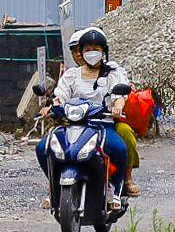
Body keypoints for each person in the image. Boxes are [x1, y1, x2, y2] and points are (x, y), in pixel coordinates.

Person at [50, 25, 138, 197]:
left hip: (103, 125)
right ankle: (53, 189)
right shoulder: (71, 75)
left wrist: (117, 107)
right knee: (45, 147)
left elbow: (119, 95)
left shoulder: (112, 74)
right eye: (87, 49)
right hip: (73, 125)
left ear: (103, 51)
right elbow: (60, 95)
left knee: (119, 148)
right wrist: (55, 105)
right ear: (80, 52)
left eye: (96, 49)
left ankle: (117, 188)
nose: (91, 53)